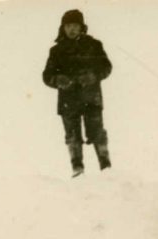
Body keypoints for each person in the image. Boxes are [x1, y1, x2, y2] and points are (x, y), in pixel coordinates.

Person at [42, 9, 113, 177]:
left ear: (82, 27)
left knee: (97, 132)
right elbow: (46, 75)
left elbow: (106, 67)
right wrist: (58, 80)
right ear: (63, 28)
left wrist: (93, 76)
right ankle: (77, 169)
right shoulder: (56, 51)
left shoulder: (94, 45)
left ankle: (106, 168)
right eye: (68, 26)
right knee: (72, 136)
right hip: (68, 100)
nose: (71, 29)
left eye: (75, 25)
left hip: (91, 97)